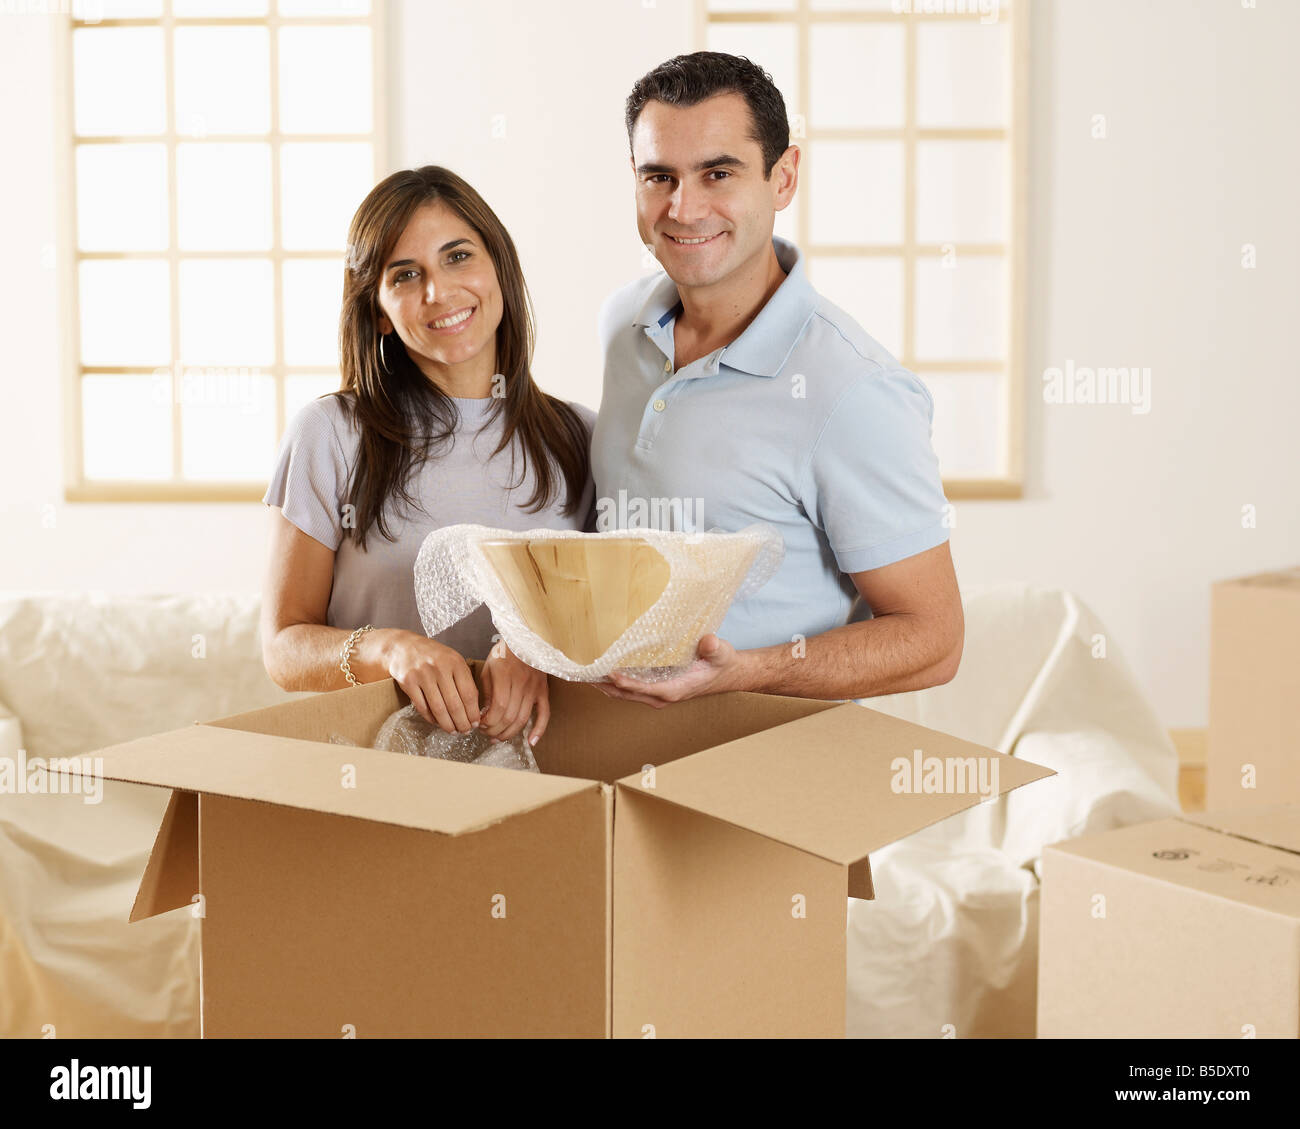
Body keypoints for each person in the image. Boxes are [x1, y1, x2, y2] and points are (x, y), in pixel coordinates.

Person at [591, 51, 963, 708]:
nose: (684, 207)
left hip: (761, 765)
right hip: (611, 746)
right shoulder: (624, 323)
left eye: (718, 173)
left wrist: (749, 669)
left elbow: (934, 638)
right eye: (660, 177)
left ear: (783, 177)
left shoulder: (854, 389)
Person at [261, 166, 595, 747]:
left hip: (546, 783)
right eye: (406, 274)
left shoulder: (579, 438)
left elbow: (613, 613)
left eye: (458, 257)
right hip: (375, 778)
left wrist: (535, 647)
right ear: (381, 313)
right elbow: (285, 647)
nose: (438, 292)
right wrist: (387, 648)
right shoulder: (332, 433)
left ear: (500, 268)